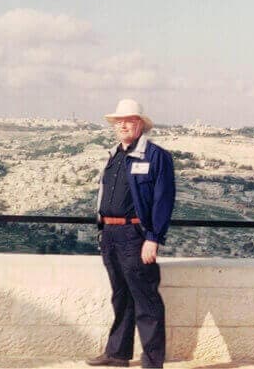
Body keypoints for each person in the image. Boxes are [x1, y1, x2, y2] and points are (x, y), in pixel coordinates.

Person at [86, 99, 175, 369]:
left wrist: (153, 238)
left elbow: (163, 200)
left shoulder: (156, 156)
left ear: (140, 124)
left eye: (129, 120)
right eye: (118, 121)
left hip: (135, 234)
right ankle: (117, 354)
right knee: (120, 296)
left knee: (146, 298)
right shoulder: (114, 155)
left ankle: (152, 362)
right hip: (111, 234)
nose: (123, 125)